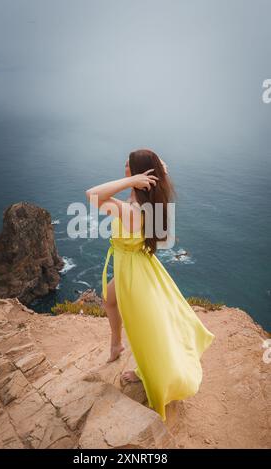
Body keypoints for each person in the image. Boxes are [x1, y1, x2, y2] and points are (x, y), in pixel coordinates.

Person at [85, 148, 215, 422]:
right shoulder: (150, 200)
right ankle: (116, 346)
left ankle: (150, 377)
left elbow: (92, 194)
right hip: (136, 266)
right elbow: (158, 175)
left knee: (145, 331)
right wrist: (155, 173)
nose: (124, 165)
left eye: (128, 164)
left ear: (136, 174)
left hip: (133, 273)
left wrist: (131, 181)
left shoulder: (132, 210)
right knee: (109, 301)